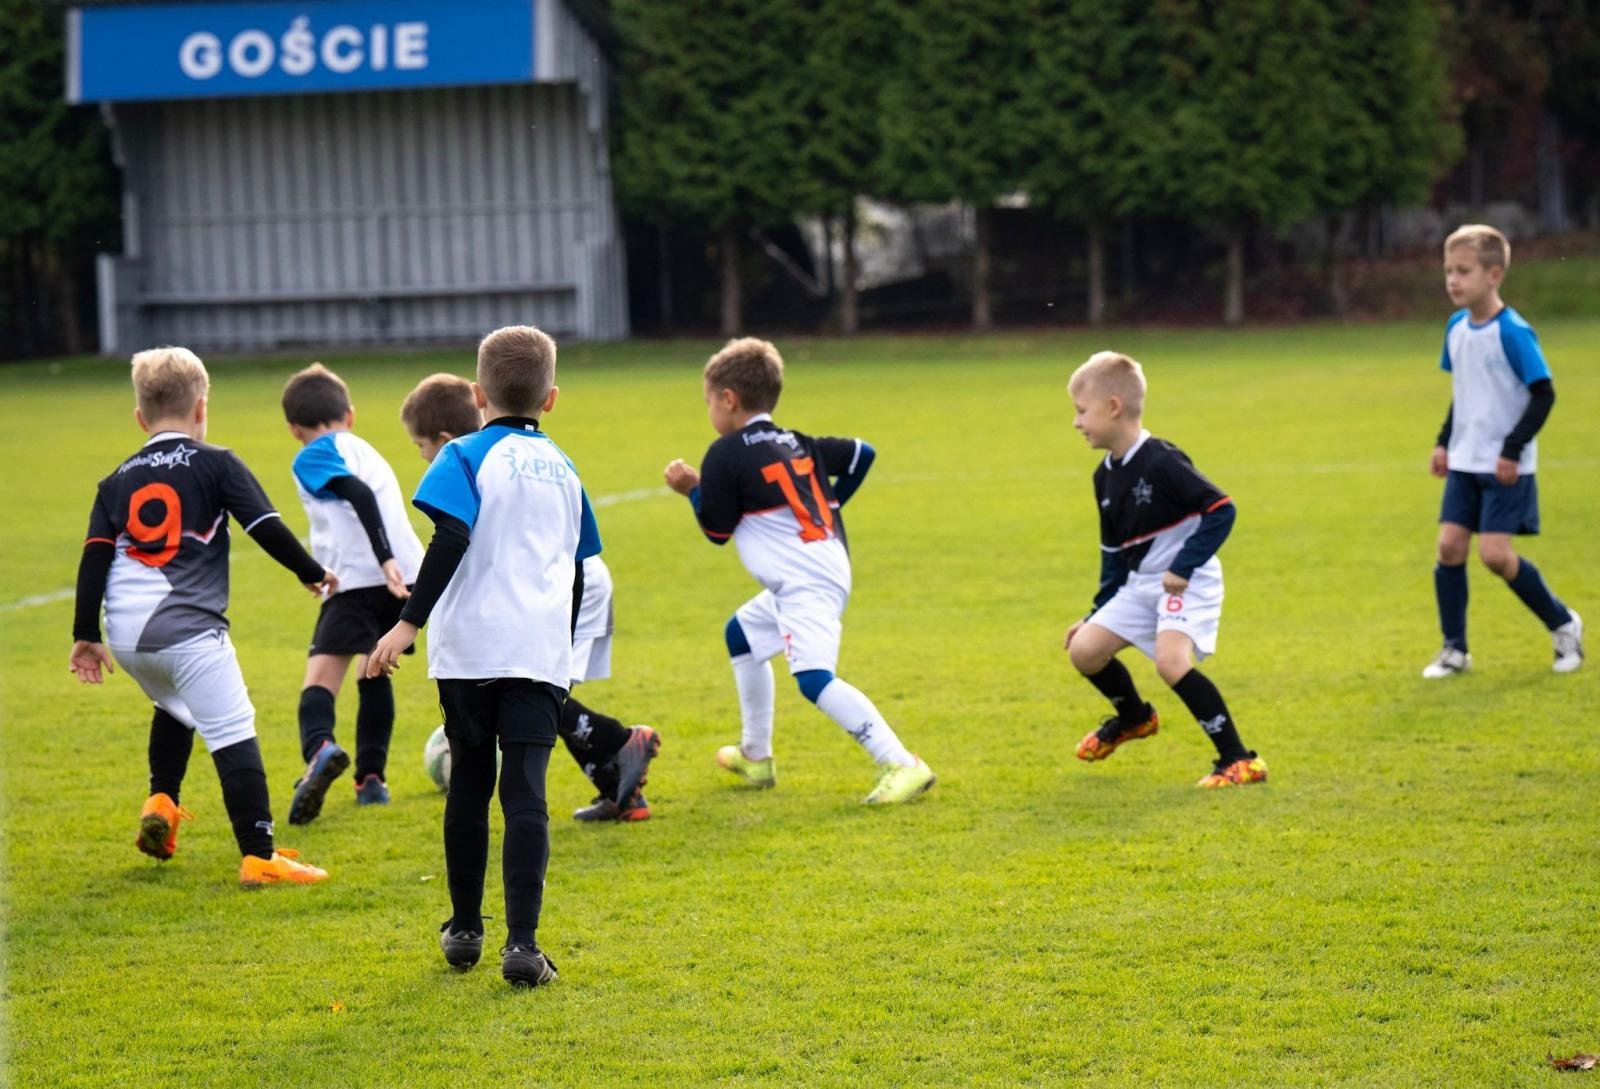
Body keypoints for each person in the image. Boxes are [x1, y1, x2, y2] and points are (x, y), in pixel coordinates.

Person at [369, 326, 599, 986]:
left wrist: (408, 622)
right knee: (525, 788)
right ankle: (523, 944)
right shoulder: (566, 467)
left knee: (469, 779)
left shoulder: (464, 455)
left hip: (470, 650)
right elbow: (580, 566)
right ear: (551, 398)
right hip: (536, 650)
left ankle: (466, 929)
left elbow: (451, 535)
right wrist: (564, 640)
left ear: (476, 394)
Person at [69, 346, 333, 886]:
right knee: (234, 730)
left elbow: (95, 554)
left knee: (179, 704)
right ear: (201, 408)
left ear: (140, 418)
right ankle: (260, 857)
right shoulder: (216, 462)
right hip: (188, 629)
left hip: (127, 637)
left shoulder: (114, 480)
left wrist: (84, 636)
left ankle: (161, 804)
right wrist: (312, 571)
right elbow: (264, 526)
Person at [663, 337, 935, 805]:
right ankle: (756, 756)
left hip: (805, 580)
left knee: (813, 678)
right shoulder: (797, 440)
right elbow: (861, 453)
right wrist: (824, 507)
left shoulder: (725, 453)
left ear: (729, 399)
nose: (709, 412)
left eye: (708, 402)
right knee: (742, 636)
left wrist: (692, 488)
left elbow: (717, 530)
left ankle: (900, 762)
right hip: (824, 563)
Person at [399, 373, 660, 821]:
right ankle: (620, 787)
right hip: (558, 581)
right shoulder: (496, 455)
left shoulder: (471, 460)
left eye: (421, 447)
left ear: (443, 440)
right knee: (528, 691)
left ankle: (619, 741)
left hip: (566, 583)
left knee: (531, 690)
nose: (423, 457)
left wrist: (411, 617)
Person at [1063, 350, 1268, 788]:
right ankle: (1135, 718)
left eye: (1082, 411)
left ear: (1113, 407)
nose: (1077, 422)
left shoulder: (1161, 460)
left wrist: (1184, 564)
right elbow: (1113, 556)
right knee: (1084, 648)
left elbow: (1221, 509)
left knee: (1172, 662)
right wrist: (1095, 611)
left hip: (1185, 582)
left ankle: (1239, 759)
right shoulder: (1103, 476)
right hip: (1140, 586)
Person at [1424, 224, 1583, 678]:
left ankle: (1563, 623)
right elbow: (1466, 392)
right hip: (1465, 460)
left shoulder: (1512, 332)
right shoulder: (1456, 327)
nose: (1453, 280)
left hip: (1505, 466)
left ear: (1494, 275)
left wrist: (1512, 449)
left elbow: (1544, 392)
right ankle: (1455, 649)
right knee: (1450, 547)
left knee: (1495, 555)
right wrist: (1443, 441)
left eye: (1464, 271)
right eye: (1449, 271)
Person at [281, 363, 425, 822]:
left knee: (321, 681)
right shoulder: (364, 446)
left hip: (359, 578)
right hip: (407, 579)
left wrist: (382, 560)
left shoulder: (311, 454)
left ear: (293, 429)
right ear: (351, 414)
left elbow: (359, 495)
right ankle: (372, 780)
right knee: (375, 673)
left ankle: (320, 749)